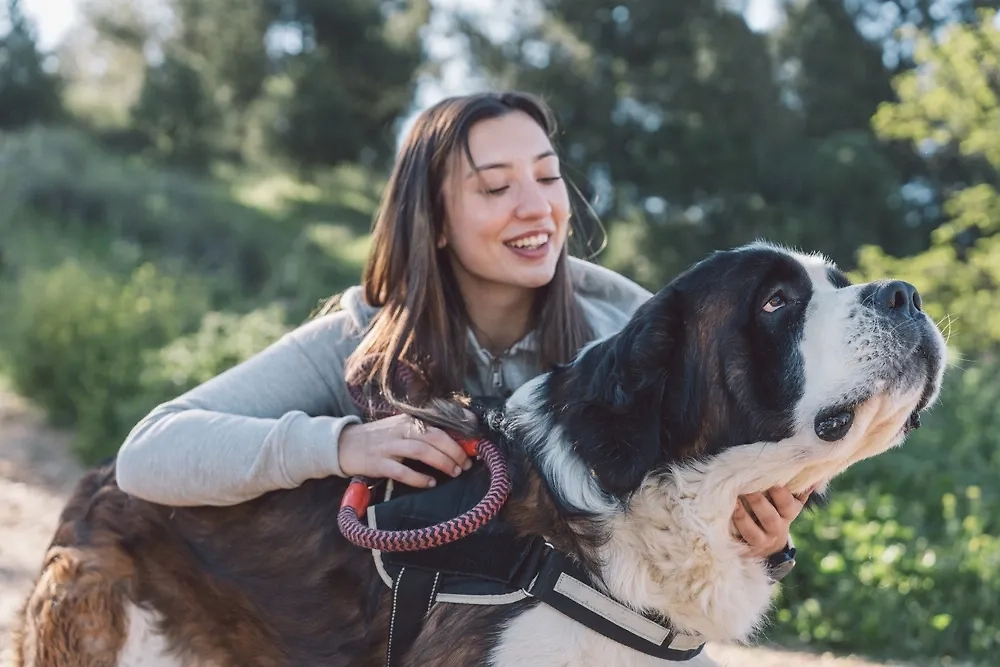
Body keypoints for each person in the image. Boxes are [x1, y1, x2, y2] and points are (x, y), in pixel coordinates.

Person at [115, 90, 808, 601]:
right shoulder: (361, 339)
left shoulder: (626, 337)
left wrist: (767, 545)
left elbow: (695, 524)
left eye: (546, 174)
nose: (537, 206)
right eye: (496, 187)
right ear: (436, 222)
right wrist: (339, 445)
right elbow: (149, 453)